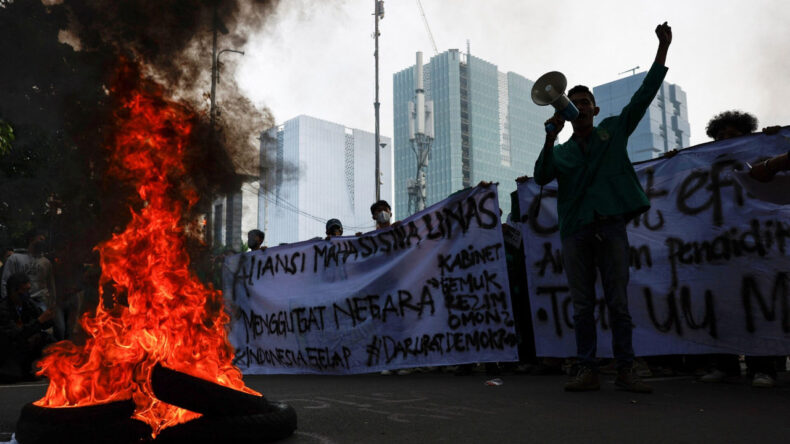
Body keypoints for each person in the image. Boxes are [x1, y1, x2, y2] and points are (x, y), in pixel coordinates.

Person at [526, 22, 673, 393]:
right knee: (581, 306)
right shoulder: (561, 151)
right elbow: (541, 175)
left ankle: (625, 370)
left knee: (618, 302)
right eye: (572, 102)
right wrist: (550, 137)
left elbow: (644, 95)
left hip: (609, 227)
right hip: (576, 230)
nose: (579, 106)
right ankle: (587, 369)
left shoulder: (613, 131)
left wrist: (662, 50)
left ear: (595, 107)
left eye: (584, 101)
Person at [698, 110, 786, 388]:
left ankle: (764, 366)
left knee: (761, 304)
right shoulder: (706, 165)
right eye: (720, 137)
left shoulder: (761, 157)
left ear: (748, 137)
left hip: (758, 243)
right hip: (721, 247)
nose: (725, 141)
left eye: (732, 136)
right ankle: (725, 364)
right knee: (725, 305)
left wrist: (775, 141)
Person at [0, 273, 55, 382]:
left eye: (28, 290)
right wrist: (39, 322)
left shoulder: (28, 304)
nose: (27, 294)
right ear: (13, 292)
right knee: (13, 376)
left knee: (49, 340)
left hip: (27, 343)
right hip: (10, 350)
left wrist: (50, 315)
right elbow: (16, 334)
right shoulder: (3, 309)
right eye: (24, 291)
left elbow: (45, 322)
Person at [0, 231, 56, 313]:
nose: (43, 242)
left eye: (44, 240)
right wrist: (8, 301)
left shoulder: (46, 262)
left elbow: (50, 283)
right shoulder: (15, 258)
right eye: (41, 239)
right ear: (32, 239)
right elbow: (6, 281)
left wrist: (52, 301)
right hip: (20, 300)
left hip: (41, 301)